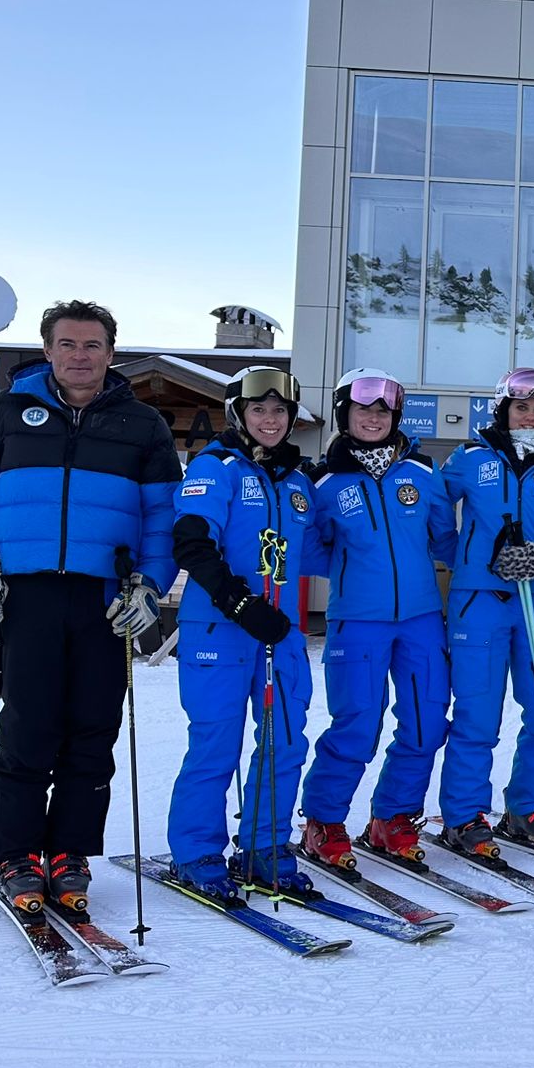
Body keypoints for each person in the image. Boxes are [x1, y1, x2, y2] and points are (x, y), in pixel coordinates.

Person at [0, 300, 179, 913]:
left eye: (92, 345)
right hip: (26, 594)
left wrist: (150, 584)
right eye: (68, 344)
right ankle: (16, 852)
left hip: (106, 596)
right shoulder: (4, 412)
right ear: (48, 350)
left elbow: (163, 515)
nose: (80, 355)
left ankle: (70, 852)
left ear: (110, 353)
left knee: (93, 729)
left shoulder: (143, 424)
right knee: (29, 725)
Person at [165, 367, 321, 898]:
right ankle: (197, 851)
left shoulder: (298, 483)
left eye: (280, 411)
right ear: (239, 414)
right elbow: (191, 542)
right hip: (220, 626)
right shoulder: (217, 468)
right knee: (217, 742)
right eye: (259, 410)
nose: (270, 420)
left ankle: (264, 846)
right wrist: (238, 601)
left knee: (285, 740)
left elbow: (321, 550)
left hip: (280, 630)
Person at [297, 368, 455, 867]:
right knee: (357, 724)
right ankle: (324, 821)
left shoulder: (423, 475)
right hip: (358, 622)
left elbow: (446, 541)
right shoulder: (324, 483)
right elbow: (310, 550)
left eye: (383, 410)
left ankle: (393, 816)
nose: (373, 417)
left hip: (421, 619)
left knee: (427, 721)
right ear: (344, 414)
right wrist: (354, 571)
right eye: (363, 409)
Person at [434, 368, 534, 860]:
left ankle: (530, 805)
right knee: (478, 713)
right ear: (503, 410)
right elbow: (436, 511)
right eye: (521, 407)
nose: (530, 416)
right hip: (480, 602)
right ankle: (463, 815)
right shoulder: (472, 457)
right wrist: (469, 558)